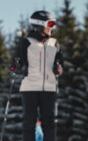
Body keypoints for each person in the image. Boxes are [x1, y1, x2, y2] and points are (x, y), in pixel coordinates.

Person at [10, 10, 63, 141]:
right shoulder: (26, 42)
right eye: (50, 24)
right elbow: (17, 62)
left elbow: (61, 63)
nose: (52, 27)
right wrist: (16, 65)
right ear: (39, 25)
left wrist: (58, 68)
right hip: (30, 87)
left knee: (49, 123)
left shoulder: (54, 43)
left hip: (49, 88)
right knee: (29, 122)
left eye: (53, 24)